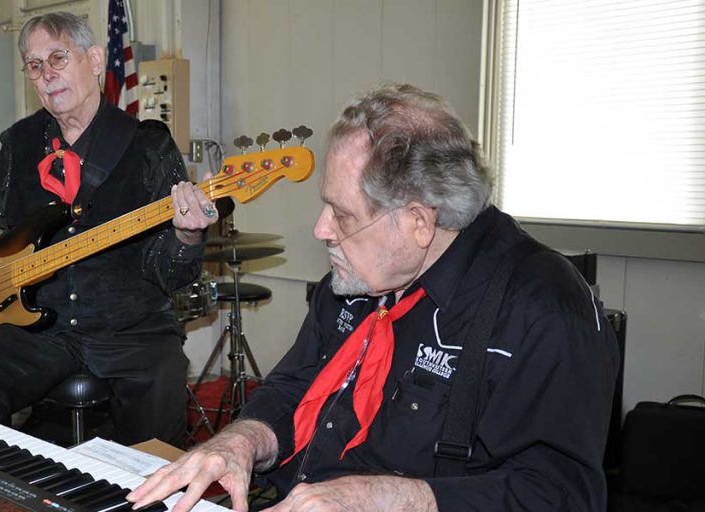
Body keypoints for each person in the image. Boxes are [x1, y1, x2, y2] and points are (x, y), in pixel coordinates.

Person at [129, 84, 620, 511]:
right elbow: (295, 384)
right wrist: (241, 441)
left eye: (342, 214)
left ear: (419, 222)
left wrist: (384, 499)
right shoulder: (362, 274)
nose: (322, 229)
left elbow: (561, 495)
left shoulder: (543, 310)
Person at [0, 12, 217, 447]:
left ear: (95, 60)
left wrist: (187, 236)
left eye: (58, 58)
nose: (46, 74)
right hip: (41, 331)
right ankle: (3, 480)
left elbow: (172, 274)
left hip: (132, 328)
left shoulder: (149, 146)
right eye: (34, 65)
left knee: (159, 417)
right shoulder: (20, 144)